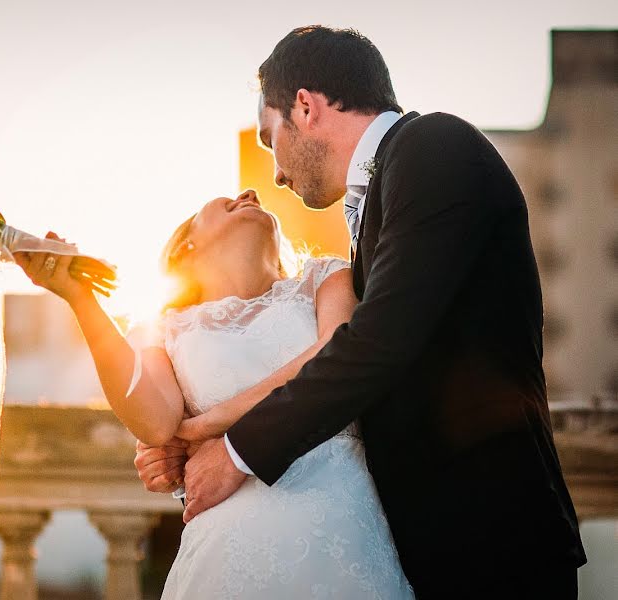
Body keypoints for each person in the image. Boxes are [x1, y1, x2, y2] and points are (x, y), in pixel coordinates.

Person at [137, 25, 586, 598]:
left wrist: (233, 450)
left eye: (269, 138)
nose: (274, 171)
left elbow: (376, 345)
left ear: (305, 107)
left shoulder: (436, 147)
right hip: (422, 546)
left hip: (492, 538)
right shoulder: (389, 187)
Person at [14, 189, 415, 597]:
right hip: (226, 553)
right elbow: (156, 423)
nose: (250, 193)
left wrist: (207, 425)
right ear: (187, 242)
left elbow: (333, 355)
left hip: (342, 534)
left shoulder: (324, 278)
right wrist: (80, 298)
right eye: (228, 196)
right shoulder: (163, 328)